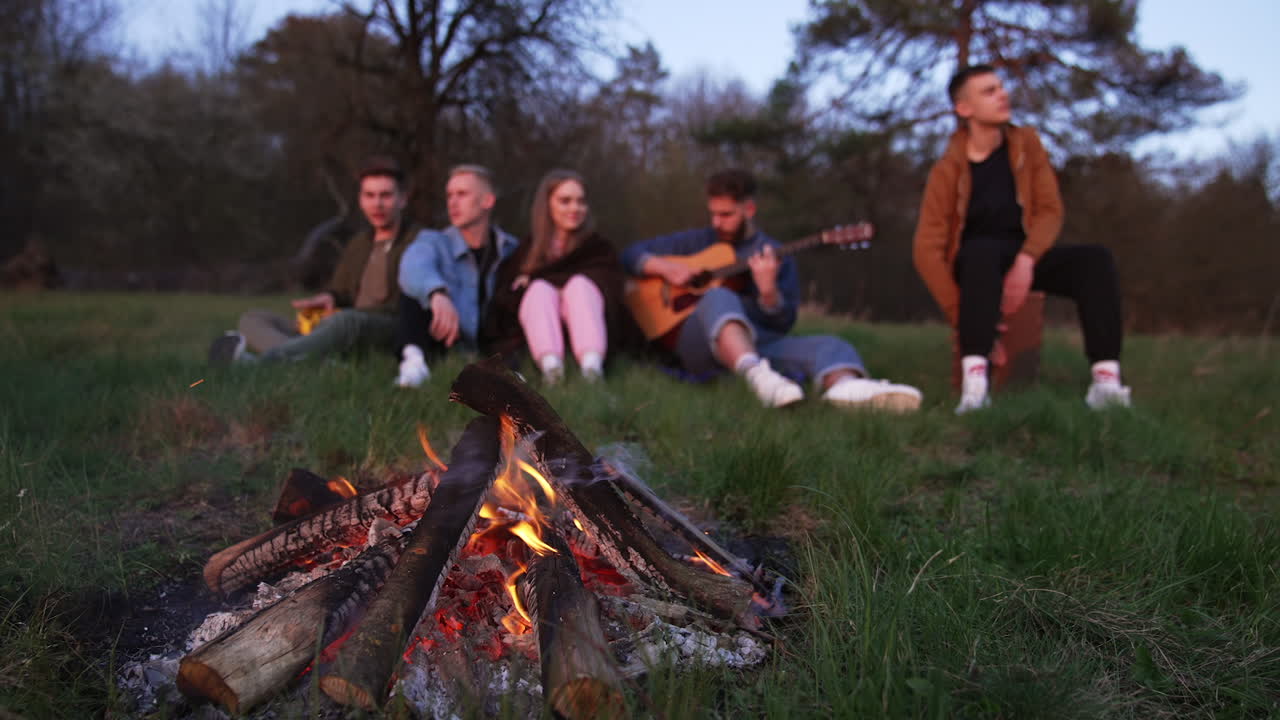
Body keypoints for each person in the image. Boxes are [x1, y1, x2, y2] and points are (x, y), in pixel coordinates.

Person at [912, 65, 1131, 414]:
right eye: (989, 91)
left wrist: (1027, 260)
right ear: (964, 108)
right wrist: (960, 316)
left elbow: (1049, 210)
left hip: (1025, 255)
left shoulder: (1027, 147)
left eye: (1001, 87)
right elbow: (926, 249)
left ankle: (1106, 383)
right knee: (981, 252)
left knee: (1095, 260)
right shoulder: (947, 170)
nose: (1003, 95)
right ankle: (975, 390)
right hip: (976, 265)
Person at [620, 169, 922, 411]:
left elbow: (782, 324)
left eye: (726, 214)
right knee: (719, 295)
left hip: (754, 342)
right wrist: (665, 268)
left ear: (749, 209)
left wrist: (768, 293)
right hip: (695, 341)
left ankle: (848, 389)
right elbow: (630, 255)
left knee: (832, 345)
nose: (717, 222)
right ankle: (757, 375)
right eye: (713, 213)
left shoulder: (775, 253)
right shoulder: (697, 240)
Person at [208, 157, 418, 366]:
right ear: (361, 199)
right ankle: (318, 361)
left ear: (402, 199)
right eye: (369, 195)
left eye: (385, 195)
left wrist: (343, 315)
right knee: (253, 318)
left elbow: (408, 306)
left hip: (380, 328)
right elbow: (340, 292)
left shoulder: (419, 242)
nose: (377, 204)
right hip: (338, 325)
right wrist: (328, 299)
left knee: (345, 322)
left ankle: (259, 364)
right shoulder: (358, 244)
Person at [481, 169, 629, 383]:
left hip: (590, 329)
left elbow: (610, 286)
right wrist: (539, 286)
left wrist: (560, 286)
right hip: (540, 333)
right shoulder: (528, 250)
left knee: (580, 286)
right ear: (547, 204)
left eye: (581, 201)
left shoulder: (598, 248)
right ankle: (552, 370)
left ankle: (592, 370)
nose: (575, 208)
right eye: (565, 201)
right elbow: (506, 299)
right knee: (539, 290)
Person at [393, 164, 520, 387]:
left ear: (487, 201)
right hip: (447, 339)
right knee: (413, 290)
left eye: (462, 194)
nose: (452, 202)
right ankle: (414, 362)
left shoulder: (510, 247)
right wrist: (436, 293)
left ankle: (516, 369)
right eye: (449, 195)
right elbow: (412, 265)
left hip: (491, 341)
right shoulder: (434, 240)